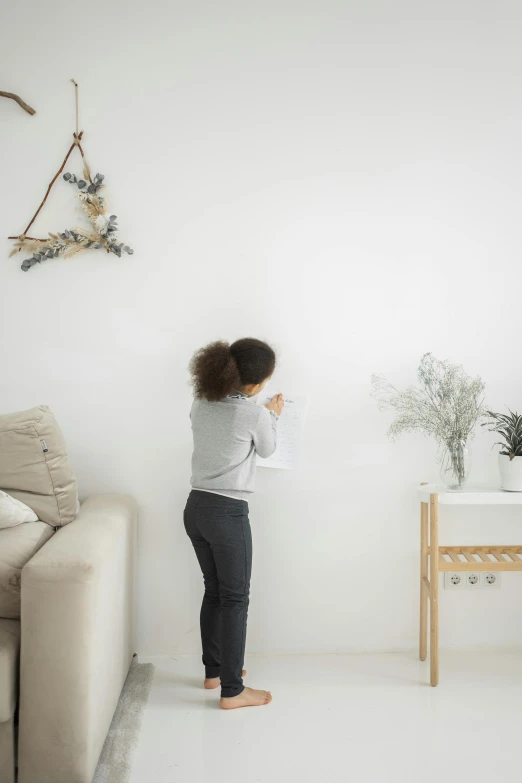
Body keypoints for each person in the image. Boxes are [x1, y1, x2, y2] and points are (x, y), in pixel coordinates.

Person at [184, 338, 284, 709]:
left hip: (195, 508)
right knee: (236, 599)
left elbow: (226, 423)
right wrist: (271, 415)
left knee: (215, 591)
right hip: (227, 512)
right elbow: (269, 448)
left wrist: (256, 407)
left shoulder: (200, 403)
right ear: (257, 385)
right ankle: (232, 690)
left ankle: (215, 672)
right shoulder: (255, 415)